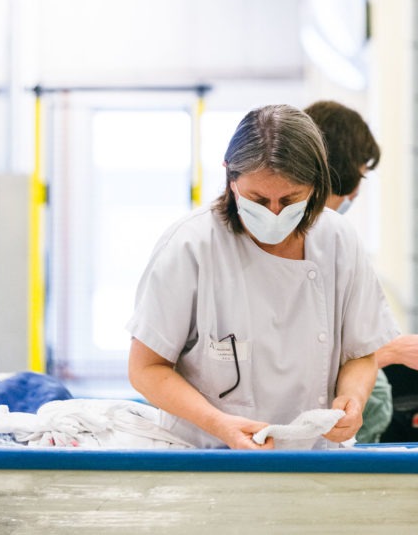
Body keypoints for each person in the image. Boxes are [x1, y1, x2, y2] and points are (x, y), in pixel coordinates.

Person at [126, 103, 399, 450]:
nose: (273, 213)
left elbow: (361, 353)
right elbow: (146, 369)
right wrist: (219, 424)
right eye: (258, 198)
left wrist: (352, 399)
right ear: (231, 178)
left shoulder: (338, 240)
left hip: (313, 458)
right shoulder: (191, 246)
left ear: (317, 184)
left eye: (290, 199)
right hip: (210, 455)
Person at [305, 99, 418, 442]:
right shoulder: (300, 245)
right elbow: (306, 356)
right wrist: (393, 351)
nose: (358, 190)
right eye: (361, 174)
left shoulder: (335, 241)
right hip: (320, 438)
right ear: (342, 171)